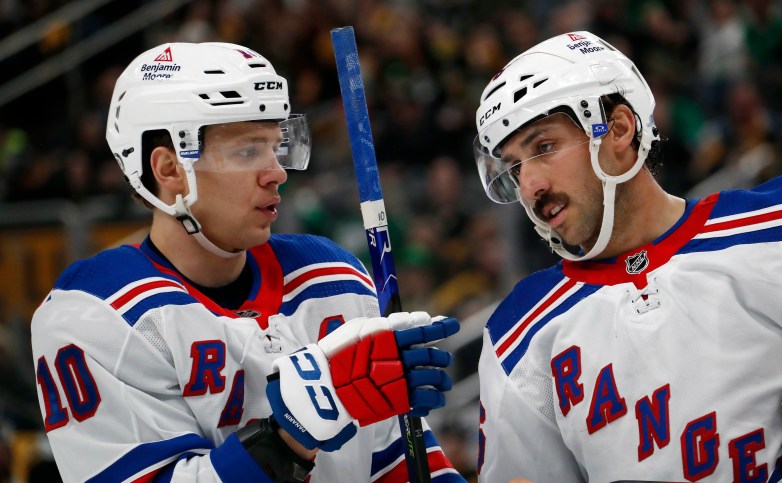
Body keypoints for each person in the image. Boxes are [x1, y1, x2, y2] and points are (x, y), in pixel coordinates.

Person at [30, 42, 465, 483]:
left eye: (276, 146)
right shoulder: (96, 314)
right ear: (168, 169)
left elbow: (399, 464)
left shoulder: (334, 279)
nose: (276, 171)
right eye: (246, 151)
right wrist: (289, 436)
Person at [472, 31, 782, 482]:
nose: (530, 186)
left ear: (618, 129)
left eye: (543, 148)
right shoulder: (516, 336)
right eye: (515, 166)